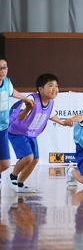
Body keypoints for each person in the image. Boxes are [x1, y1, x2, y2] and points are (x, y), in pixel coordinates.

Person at [7, 73, 73, 193]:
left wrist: (63, 123)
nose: (55, 89)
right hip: (17, 131)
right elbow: (20, 117)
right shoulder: (32, 99)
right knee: (28, 157)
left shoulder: (50, 102)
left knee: (35, 160)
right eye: (51, 85)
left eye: (56, 86)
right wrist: (28, 108)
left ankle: (20, 184)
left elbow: (51, 115)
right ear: (41, 89)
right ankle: (12, 177)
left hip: (31, 134)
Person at [0, 57, 31, 189]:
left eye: (4, 67)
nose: (2, 70)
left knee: (6, 164)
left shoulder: (7, 82)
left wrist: (25, 99)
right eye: (0, 68)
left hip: (3, 128)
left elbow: (12, 92)